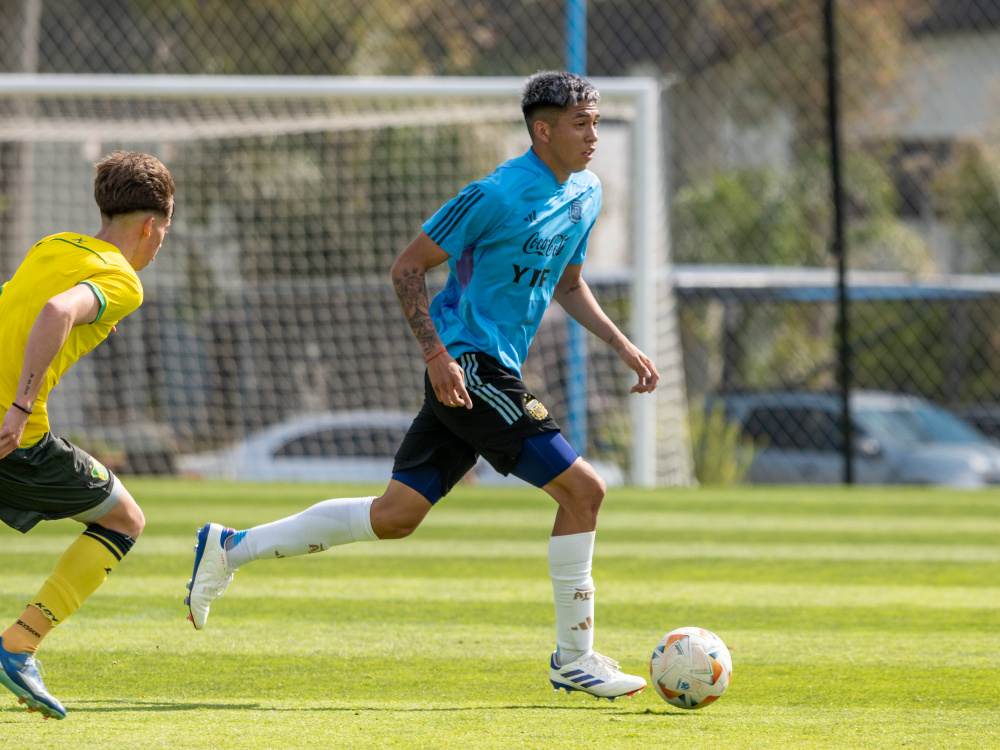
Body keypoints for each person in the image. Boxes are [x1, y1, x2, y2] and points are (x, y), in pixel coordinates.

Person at [186, 70, 658, 700]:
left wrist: (623, 344)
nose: (594, 134)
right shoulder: (494, 193)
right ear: (541, 130)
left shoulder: (587, 192)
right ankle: (575, 657)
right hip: (471, 363)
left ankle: (230, 548)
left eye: (597, 121)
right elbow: (407, 266)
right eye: (581, 123)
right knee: (585, 491)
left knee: (395, 517)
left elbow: (568, 283)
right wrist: (437, 354)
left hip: (490, 370)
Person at [0, 151, 175, 719]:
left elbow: (16, 304)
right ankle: (18, 645)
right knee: (124, 520)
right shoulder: (121, 279)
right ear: (150, 225)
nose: (160, 243)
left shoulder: (50, 245)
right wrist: (20, 406)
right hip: (16, 437)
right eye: (165, 231)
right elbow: (55, 311)